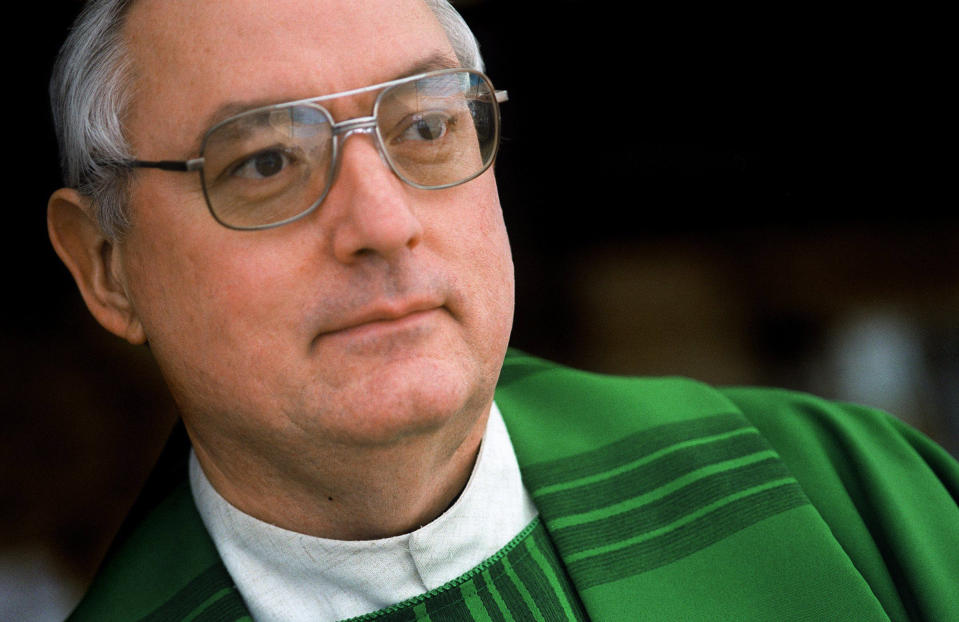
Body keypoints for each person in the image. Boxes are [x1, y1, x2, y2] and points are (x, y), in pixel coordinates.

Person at [47, 0, 958, 620]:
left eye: (427, 127)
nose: (383, 222)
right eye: (264, 163)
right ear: (108, 267)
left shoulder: (847, 493)